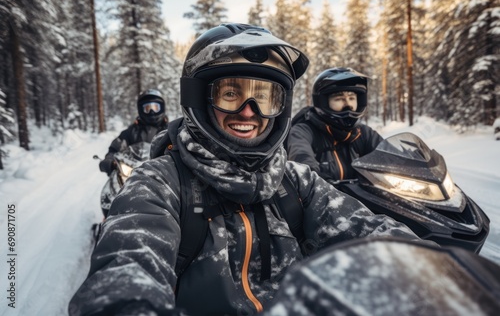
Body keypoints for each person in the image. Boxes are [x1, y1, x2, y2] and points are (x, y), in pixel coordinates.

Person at [69, 24, 420, 316]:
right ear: (200, 98)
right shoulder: (160, 184)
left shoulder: (297, 182)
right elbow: (127, 270)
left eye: (264, 97)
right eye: (230, 93)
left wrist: (432, 276)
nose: (249, 112)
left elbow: (378, 235)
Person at [287, 67, 383, 182]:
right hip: (323, 198)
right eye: (339, 99)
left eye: (352, 98)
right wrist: (319, 182)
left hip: (366, 198)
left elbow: (388, 155)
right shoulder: (303, 132)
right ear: (323, 102)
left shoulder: (362, 133)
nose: (348, 104)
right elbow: (302, 163)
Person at [98, 89, 169, 176]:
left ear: (162, 108)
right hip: (134, 176)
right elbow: (115, 148)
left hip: (165, 176)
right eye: (147, 108)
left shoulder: (170, 131)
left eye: (155, 108)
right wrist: (110, 160)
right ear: (140, 109)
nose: (151, 111)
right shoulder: (131, 132)